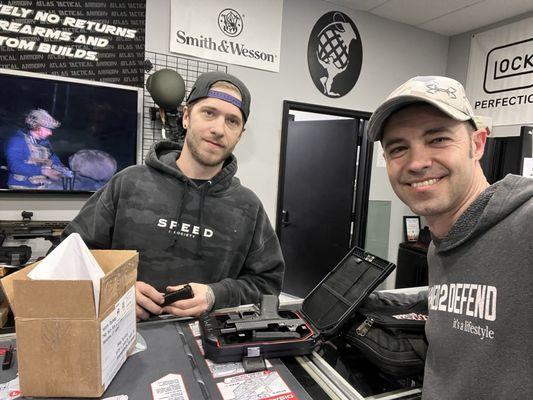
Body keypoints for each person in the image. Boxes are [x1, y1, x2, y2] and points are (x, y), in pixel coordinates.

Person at [62, 71, 285, 320]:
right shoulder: (129, 183)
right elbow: (66, 257)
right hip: (122, 339)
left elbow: (267, 285)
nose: (218, 129)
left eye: (232, 121)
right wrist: (114, 290)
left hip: (208, 348)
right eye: (209, 113)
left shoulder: (248, 207)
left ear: (240, 134)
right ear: (187, 117)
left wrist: (216, 295)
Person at [367, 75, 532, 399]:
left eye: (438, 139)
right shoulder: (444, 241)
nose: (417, 163)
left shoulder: (525, 224)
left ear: (478, 143)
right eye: (398, 148)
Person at [4, 108, 69, 189]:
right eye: (48, 129)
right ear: (37, 127)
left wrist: (61, 169)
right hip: (21, 186)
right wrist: (43, 171)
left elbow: (53, 158)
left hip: (41, 185)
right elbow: (15, 166)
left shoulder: (45, 142)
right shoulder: (17, 141)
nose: (50, 133)